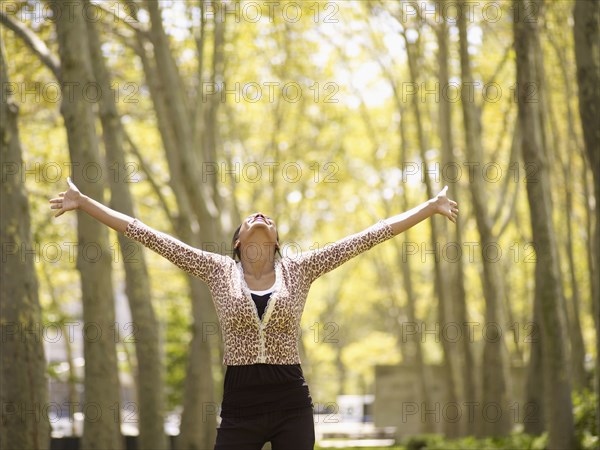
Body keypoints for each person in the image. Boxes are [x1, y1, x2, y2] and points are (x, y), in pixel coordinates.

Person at [50, 177, 458, 450]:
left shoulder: (301, 268)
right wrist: (84, 202)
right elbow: (144, 233)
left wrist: (430, 206)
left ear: (277, 241)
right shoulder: (216, 269)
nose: (260, 217)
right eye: (251, 219)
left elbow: (371, 235)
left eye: (268, 220)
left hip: (290, 400)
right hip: (240, 403)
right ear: (238, 241)